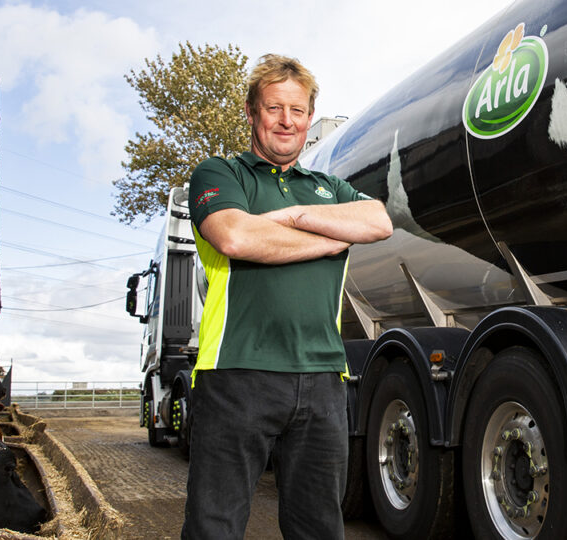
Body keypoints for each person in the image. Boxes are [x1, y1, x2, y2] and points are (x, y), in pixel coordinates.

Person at [181, 54, 392, 540]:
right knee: (215, 525)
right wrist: (330, 237)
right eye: (274, 108)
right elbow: (235, 238)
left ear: (309, 118)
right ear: (252, 112)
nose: (286, 121)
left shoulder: (327, 186)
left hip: (322, 377)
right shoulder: (220, 175)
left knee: (319, 526)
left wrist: (292, 217)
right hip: (237, 371)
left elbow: (377, 222)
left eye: (297, 111)